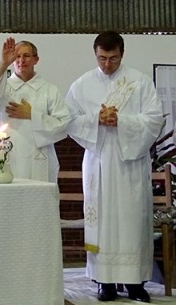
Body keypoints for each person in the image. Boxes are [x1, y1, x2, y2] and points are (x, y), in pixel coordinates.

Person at [65, 31, 164, 303]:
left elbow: (154, 120)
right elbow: (69, 119)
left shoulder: (139, 82)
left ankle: (134, 283)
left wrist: (121, 120)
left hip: (129, 163)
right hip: (98, 162)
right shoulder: (82, 84)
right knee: (103, 222)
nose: (107, 64)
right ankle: (104, 282)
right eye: (102, 58)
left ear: (123, 53)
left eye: (113, 58)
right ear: (95, 54)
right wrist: (97, 118)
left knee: (131, 220)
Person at [0, 38, 69, 182]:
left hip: (39, 155)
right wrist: (3, 63)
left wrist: (32, 115)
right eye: (17, 56)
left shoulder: (49, 90)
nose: (22, 60)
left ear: (36, 59)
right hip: (8, 154)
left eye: (26, 56)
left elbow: (63, 124)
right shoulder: (4, 87)